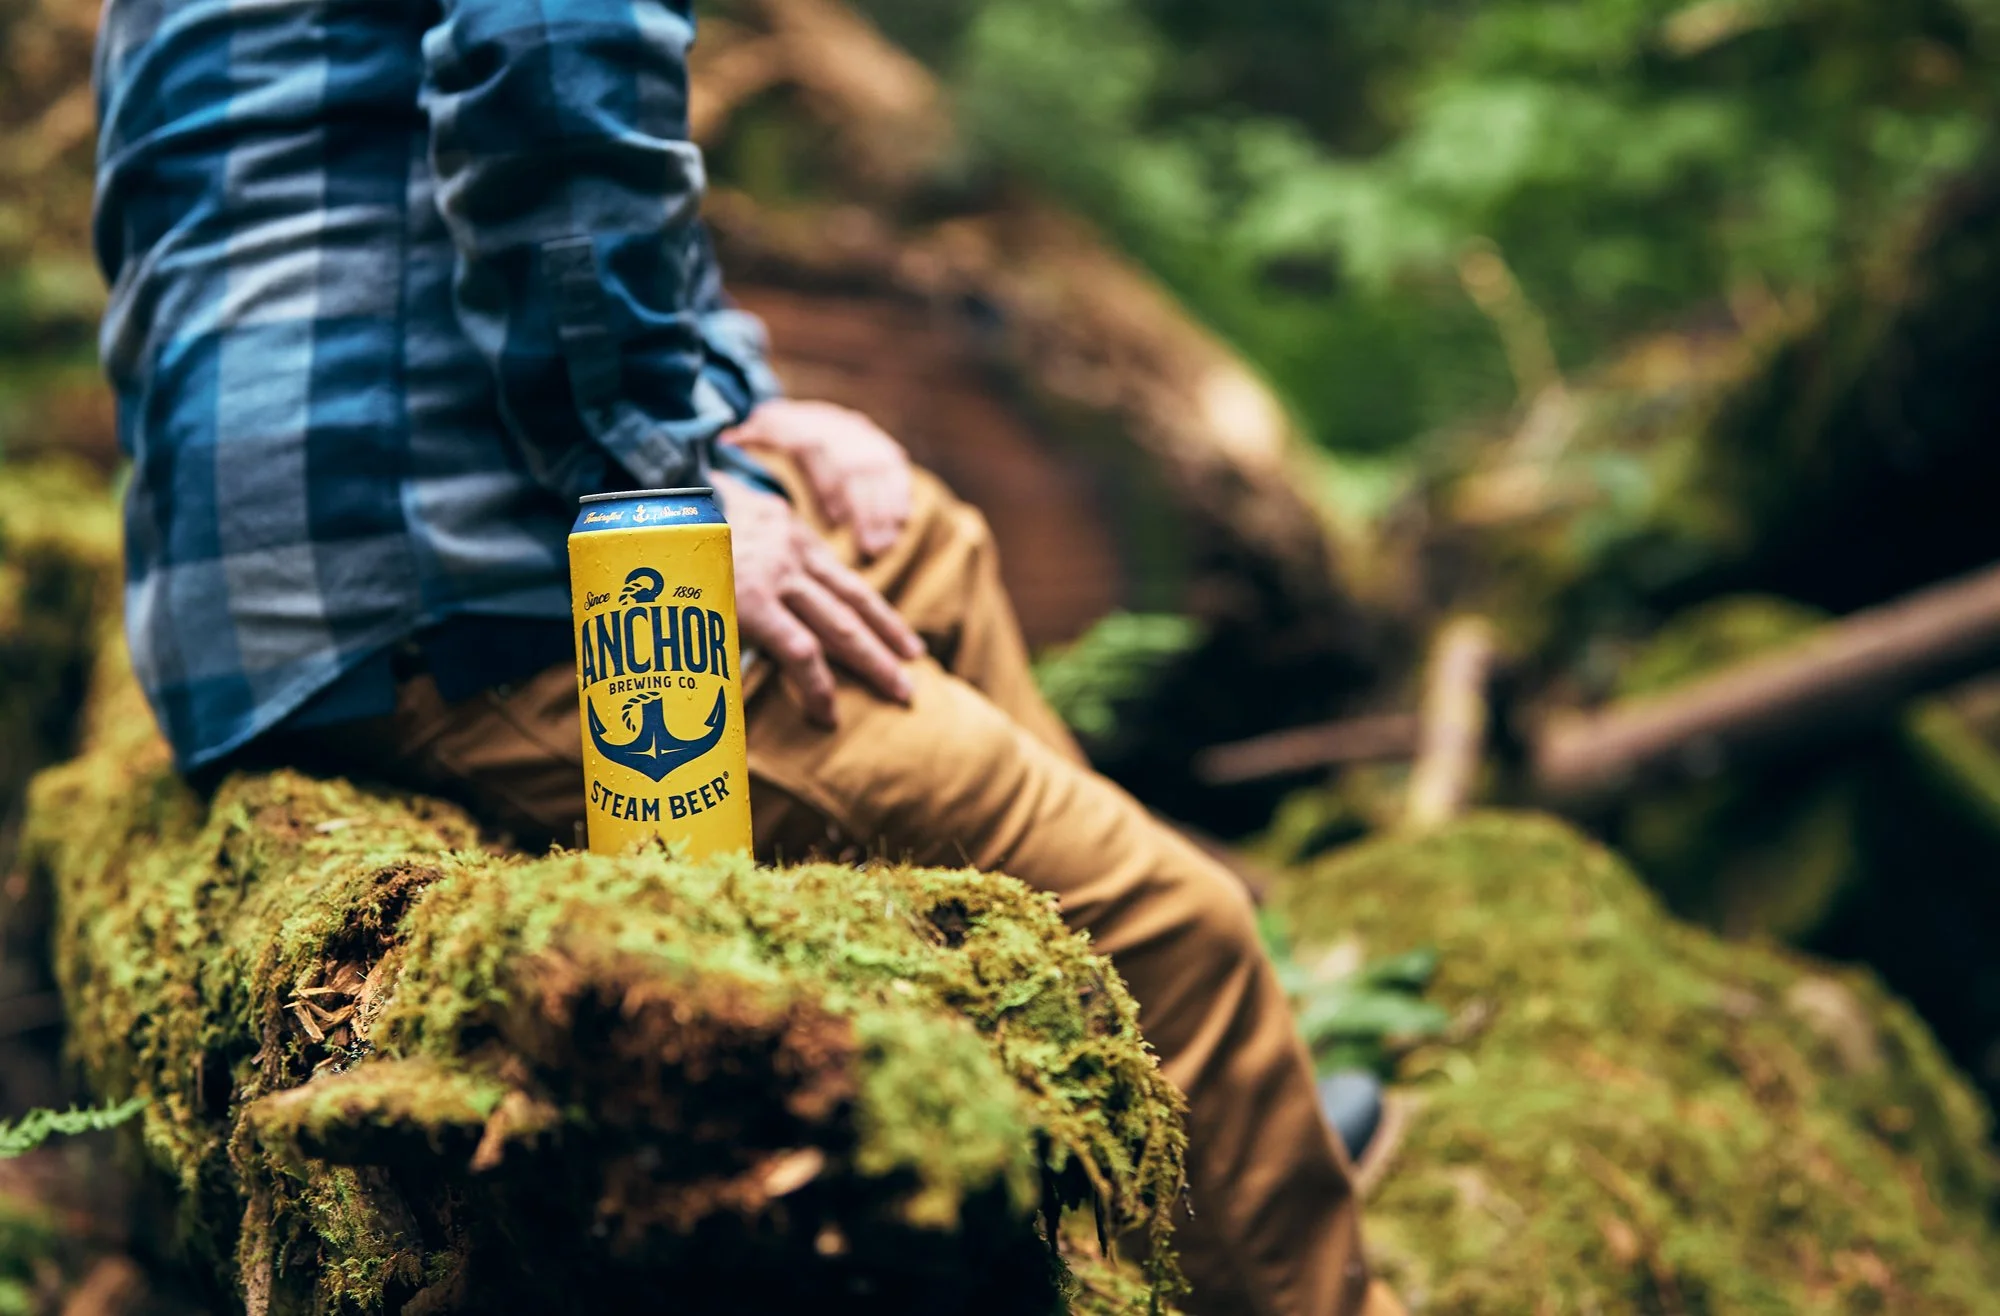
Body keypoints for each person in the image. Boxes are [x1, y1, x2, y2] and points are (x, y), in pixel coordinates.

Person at [92, 2, 1398, 1312]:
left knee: (920, 544)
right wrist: (660, 476)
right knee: (1183, 929)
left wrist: (738, 417)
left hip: (279, 580)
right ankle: (1225, 1176)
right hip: (441, 594)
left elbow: (461, 166)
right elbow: (558, 94)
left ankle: (1124, 1107)